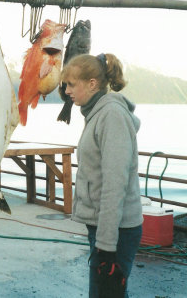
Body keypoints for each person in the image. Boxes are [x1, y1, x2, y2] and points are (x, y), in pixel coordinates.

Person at [61, 53, 143, 298]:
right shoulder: (97, 113)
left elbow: (115, 184)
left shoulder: (111, 116)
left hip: (116, 231)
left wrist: (107, 247)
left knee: (106, 294)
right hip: (104, 228)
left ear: (92, 84)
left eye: (71, 85)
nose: (66, 91)